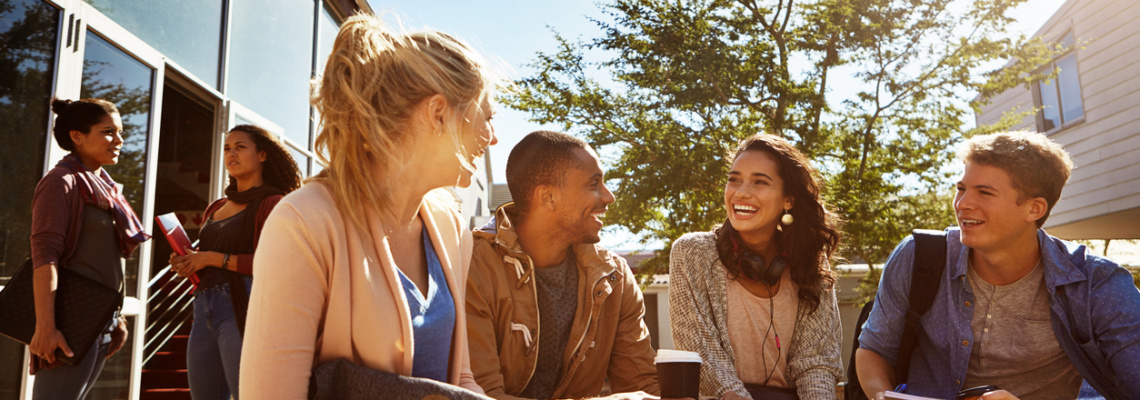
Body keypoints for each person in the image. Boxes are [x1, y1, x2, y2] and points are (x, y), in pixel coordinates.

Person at [239, 14, 497, 399]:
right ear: (438, 113)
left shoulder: (451, 226)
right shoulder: (304, 221)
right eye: (486, 117)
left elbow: (459, 382)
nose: (492, 138)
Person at [855, 131, 1140, 400]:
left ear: (1034, 208)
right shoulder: (919, 256)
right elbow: (873, 349)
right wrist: (882, 395)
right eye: (961, 189)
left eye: (984, 192)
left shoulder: (1099, 283)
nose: (963, 204)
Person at [466, 130, 664, 400]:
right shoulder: (473, 265)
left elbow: (641, 385)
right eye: (594, 184)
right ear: (547, 197)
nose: (609, 197)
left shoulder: (613, 277)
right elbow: (479, 396)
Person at [668, 134, 844, 400]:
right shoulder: (691, 253)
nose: (741, 192)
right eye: (734, 179)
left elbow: (816, 362)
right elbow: (700, 350)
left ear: (788, 200)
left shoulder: (811, 261)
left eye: (759, 182)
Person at [167, 124, 301, 400]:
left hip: (243, 305)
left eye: (240, 147)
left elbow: (275, 263)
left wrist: (211, 258)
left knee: (248, 394)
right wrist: (187, 262)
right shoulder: (215, 207)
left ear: (262, 155)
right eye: (227, 148)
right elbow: (203, 257)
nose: (231, 154)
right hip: (203, 307)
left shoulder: (274, 203)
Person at [29, 98, 150, 399]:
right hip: (72, 320)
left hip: (102, 319)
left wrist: (117, 316)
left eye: (120, 132)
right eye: (108, 132)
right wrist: (46, 327)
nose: (119, 140)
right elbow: (45, 256)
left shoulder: (106, 188)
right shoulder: (62, 182)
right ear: (77, 137)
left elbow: (108, 258)